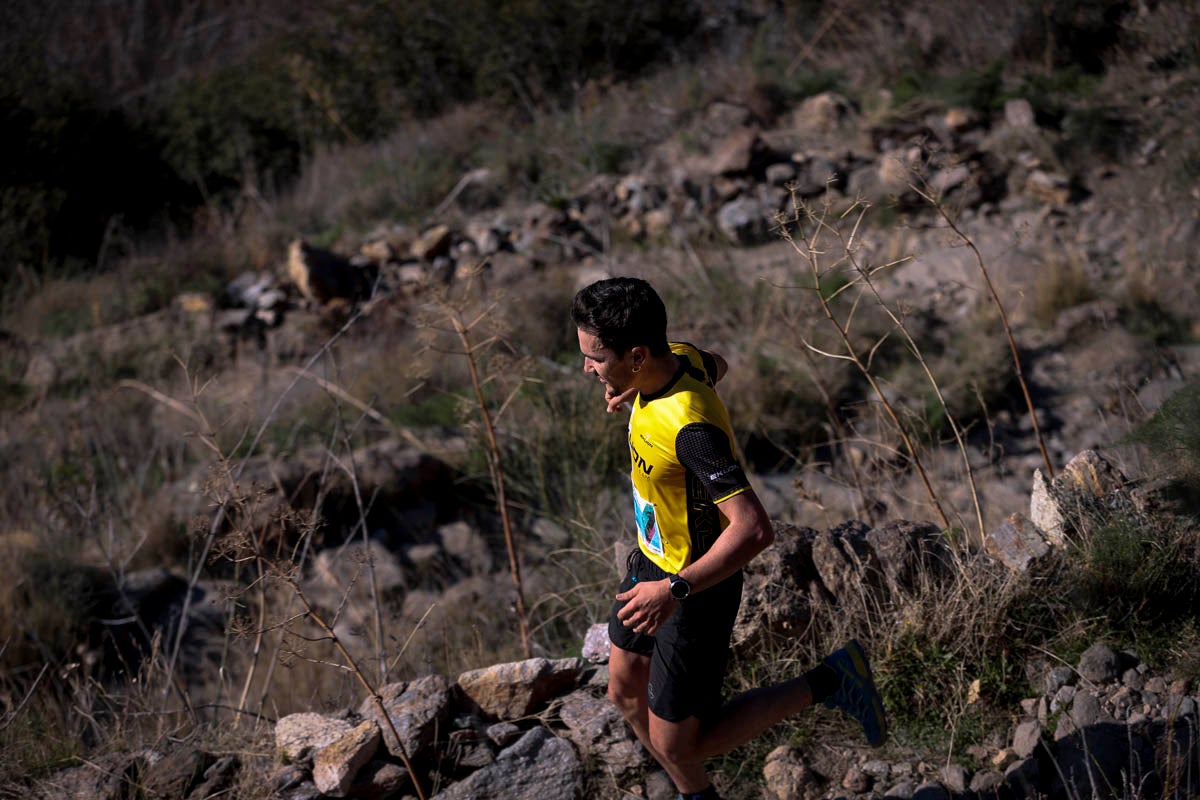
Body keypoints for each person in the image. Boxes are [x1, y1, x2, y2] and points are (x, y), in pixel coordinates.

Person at [571, 277, 887, 800]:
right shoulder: (679, 360)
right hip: (651, 560)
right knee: (624, 692)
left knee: (679, 745)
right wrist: (638, 385)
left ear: (636, 352)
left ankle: (832, 680)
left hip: (692, 588)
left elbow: (754, 528)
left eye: (596, 358)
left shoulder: (691, 431)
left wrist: (672, 590)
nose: (587, 367)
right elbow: (718, 365)